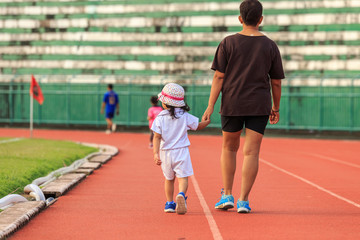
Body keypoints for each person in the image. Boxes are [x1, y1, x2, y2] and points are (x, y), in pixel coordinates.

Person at [202, 0, 284, 213]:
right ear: (261, 19)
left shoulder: (227, 43)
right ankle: (243, 200)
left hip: (232, 102)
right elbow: (276, 81)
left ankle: (227, 194)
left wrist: (211, 105)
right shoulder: (270, 45)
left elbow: (219, 76)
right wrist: (275, 107)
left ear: (240, 18)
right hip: (259, 104)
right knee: (251, 153)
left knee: (229, 148)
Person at [152, 83, 210, 214]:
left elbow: (156, 137)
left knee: (169, 179)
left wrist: (156, 154)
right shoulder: (184, 115)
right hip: (181, 151)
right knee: (183, 177)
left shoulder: (160, 118)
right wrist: (206, 122)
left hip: (165, 153)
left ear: (166, 103)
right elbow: (198, 126)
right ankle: (182, 195)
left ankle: (169, 203)